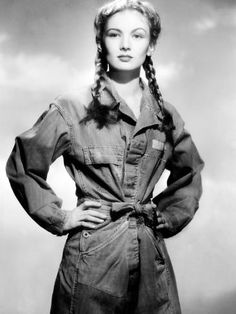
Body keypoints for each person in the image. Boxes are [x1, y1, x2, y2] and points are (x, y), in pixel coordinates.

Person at [6, 0, 204, 313]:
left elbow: (190, 174)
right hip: (93, 259)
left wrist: (165, 217)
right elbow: (23, 165)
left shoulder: (165, 115)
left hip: (152, 261)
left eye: (137, 36)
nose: (126, 44)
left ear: (151, 44)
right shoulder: (71, 108)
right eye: (115, 34)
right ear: (101, 41)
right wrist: (62, 217)